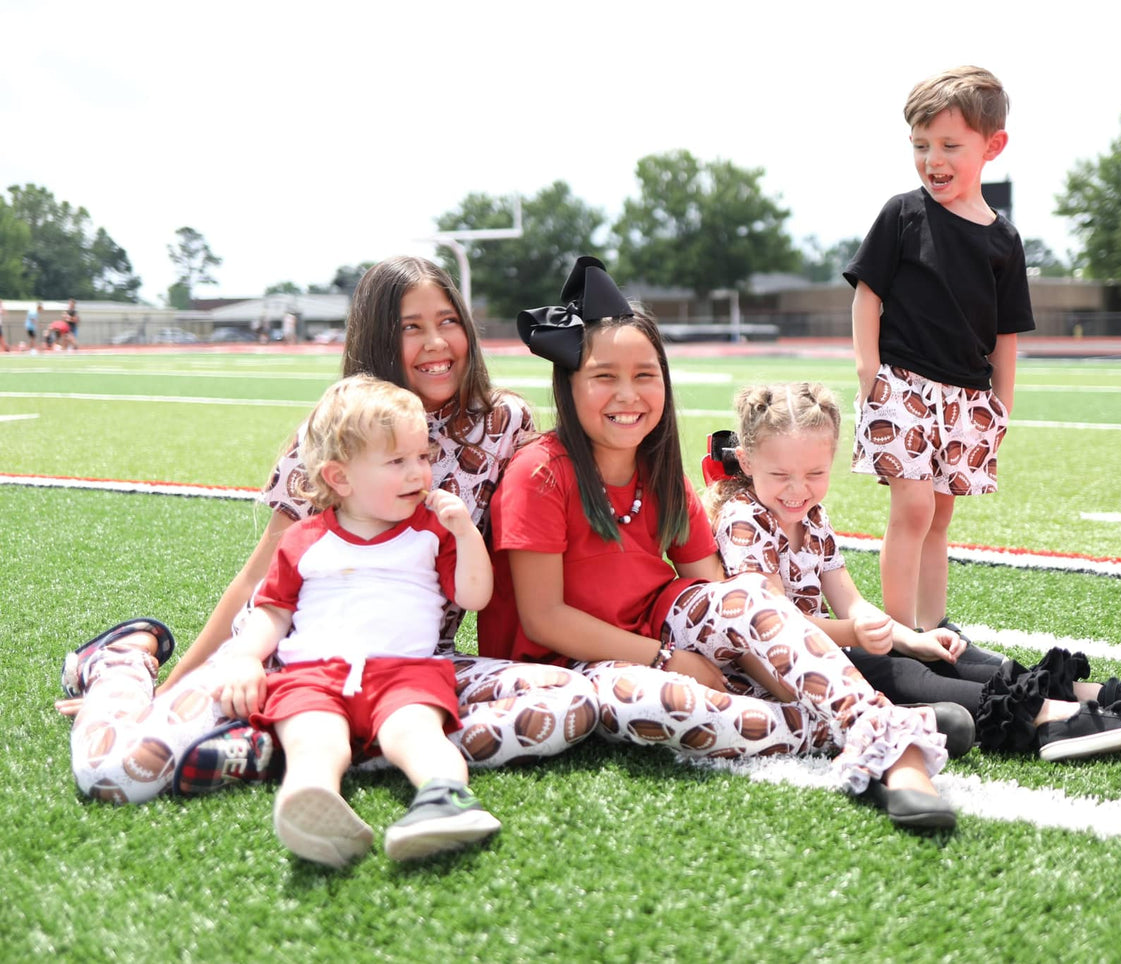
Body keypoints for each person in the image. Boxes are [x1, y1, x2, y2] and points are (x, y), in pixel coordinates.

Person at [57, 255, 598, 807]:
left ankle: (277, 747)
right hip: (291, 661)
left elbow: (552, 510)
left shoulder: (502, 421)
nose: (437, 342)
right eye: (411, 327)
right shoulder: (334, 430)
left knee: (572, 702)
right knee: (118, 774)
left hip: (416, 668)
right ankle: (121, 662)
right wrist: (172, 693)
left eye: (448, 320)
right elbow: (258, 582)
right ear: (379, 338)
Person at [489, 256, 955, 831]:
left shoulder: (661, 471)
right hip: (573, 669)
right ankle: (850, 723)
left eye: (646, 374)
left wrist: (735, 646)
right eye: (604, 376)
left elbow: (714, 589)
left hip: (662, 624)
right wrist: (669, 660)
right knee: (647, 699)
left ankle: (895, 745)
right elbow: (543, 619)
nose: (628, 394)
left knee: (744, 601)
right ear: (570, 383)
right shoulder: (539, 471)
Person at [703, 383, 1121, 760]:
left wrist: (912, 636)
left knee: (942, 653)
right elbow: (774, 623)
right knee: (899, 671)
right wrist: (858, 633)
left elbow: (850, 601)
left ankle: (1089, 694)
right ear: (746, 462)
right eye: (781, 475)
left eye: (814, 474)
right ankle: (1051, 719)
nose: (797, 490)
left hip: (827, 649)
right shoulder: (744, 520)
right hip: (781, 672)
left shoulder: (813, 519)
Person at [218, 375, 500, 866]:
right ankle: (311, 799)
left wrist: (465, 532)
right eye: (397, 461)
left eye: (423, 458)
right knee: (311, 736)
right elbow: (273, 611)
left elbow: (474, 596)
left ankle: (444, 799)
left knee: (414, 734)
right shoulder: (305, 540)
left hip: (404, 673)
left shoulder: (431, 531)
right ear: (340, 478)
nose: (418, 473)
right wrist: (244, 658)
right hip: (313, 675)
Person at [848, 64, 1030, 639]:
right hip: (901, 385)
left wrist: (1001, 404)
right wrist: (868, 372)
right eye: (921, 146)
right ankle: (899, 634)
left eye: (951, 145)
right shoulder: (902, 213)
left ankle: (935, 625)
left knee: (941, 512)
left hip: (967, 397)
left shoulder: (1003, 239)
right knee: (914, 508)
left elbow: (1005, 333)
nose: (934, 160)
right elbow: (867, 295)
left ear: (992, 146)